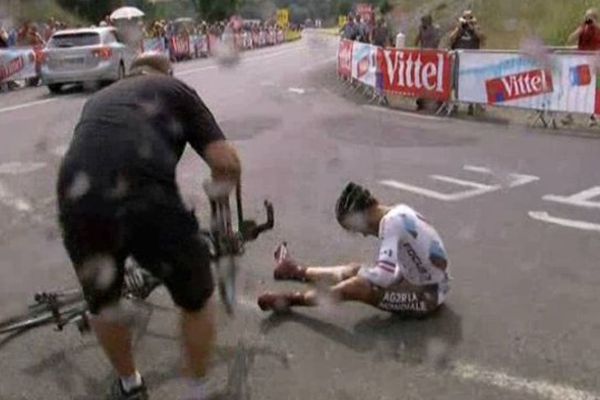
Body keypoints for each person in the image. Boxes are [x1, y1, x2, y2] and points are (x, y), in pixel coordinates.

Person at [56, 53, 241, 400]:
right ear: (167, 71)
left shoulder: (99, 98)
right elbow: (225, 162)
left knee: (103, 302)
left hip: (76, 194)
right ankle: (197, 391)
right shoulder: (175, 89)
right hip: (144, 191)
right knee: (196, 298)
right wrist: (220, 202)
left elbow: (95, 150)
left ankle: (130, 384)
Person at [258, 183, 451, 318]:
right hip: (424, 281)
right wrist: (360, 272)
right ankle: (296, 271)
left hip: (428, 297)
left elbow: (383, 277)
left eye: (355, 228)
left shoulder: (390, 225)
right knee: (355, 270)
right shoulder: (398, 212)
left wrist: (361, 274)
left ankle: (291, 300)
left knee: (357, 286)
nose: (364, 235)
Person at [563, 8, 600, 127]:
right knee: (575, 89)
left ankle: (593, 116)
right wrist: (580, 29)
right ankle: (569, 115)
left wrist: (595, 25)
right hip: (580, 63)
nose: (588, 19)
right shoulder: (582, 28)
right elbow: (570, 39)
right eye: (587, 16)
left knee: (592, 91)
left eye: (591, 17)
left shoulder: (598, 29)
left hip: (592, 64)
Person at [449, 10, 485, 116]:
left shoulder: (476, 28)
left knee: (471, 83)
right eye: (465, 17)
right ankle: (456, 104)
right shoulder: (459, 28)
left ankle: (471, 105)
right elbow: (451, 39)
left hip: (472, 60)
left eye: (469, 17)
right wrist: (459, 27)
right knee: (457, 82)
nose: (467, 20)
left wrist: (472, 28)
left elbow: (482, 38)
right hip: (459, 60)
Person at [415, 14, 442, 111]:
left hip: (432, 56)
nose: (423, 24)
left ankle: (437, 101)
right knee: (422, 78)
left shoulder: (435, 29)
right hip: (423, 56)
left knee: (432, 79)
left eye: (424, 22)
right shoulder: (421, 29)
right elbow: (416, 41)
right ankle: (421, 100)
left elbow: (436, 42)